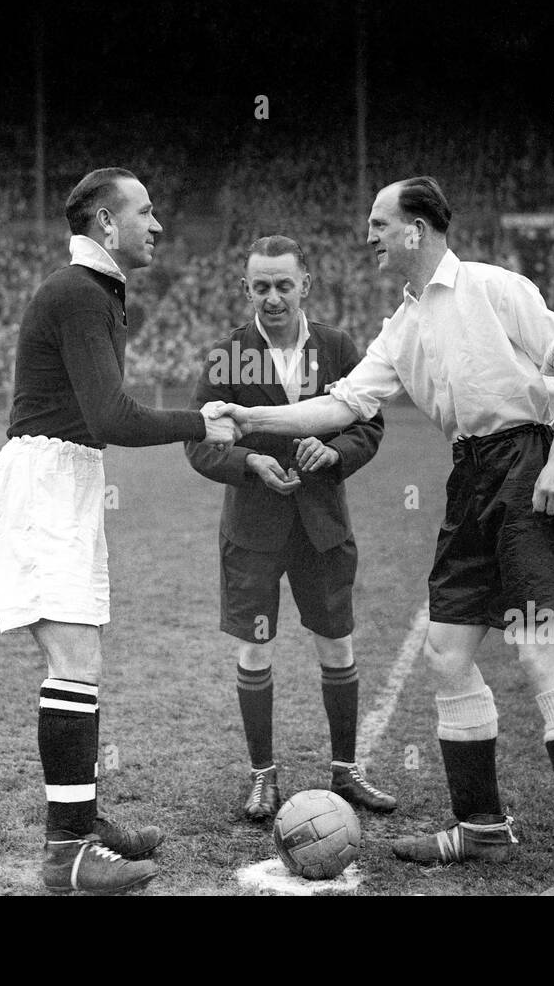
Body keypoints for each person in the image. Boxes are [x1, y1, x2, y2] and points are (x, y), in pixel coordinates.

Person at [213, 177, 554, 896]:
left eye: (380, 224)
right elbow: (343, 403)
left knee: (539, 653)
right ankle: (482, 827)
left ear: (417, 229)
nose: (370, 236)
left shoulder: (493, 286)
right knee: (446, 652)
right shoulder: (404, 325)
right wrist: (249, 418)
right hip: (470, 475)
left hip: (529, 461)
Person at [0, 167, 238, 894]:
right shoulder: (78, 293)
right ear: (104, 223)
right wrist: (203, 421)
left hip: (65, 480)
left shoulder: (96, 293)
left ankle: (83, 822)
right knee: (72, 664)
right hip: (44, 486)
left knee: (81, 662)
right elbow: (111, 417)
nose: (157, 225)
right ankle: (67, 856)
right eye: (145, 211)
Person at [185, 235, 395, 822]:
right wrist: (248, 463)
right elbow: (198, 444)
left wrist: (336, 455)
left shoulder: (336, 347)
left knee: (336, 642)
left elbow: (368, 424)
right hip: (253, 530)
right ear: (245, 289)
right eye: (261, 286)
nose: (273, 297)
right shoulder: (227, 356)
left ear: (306, 284)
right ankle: (262, 778)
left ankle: (347, 773)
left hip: (323, 526)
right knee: (256, 648)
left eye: (283, 284)